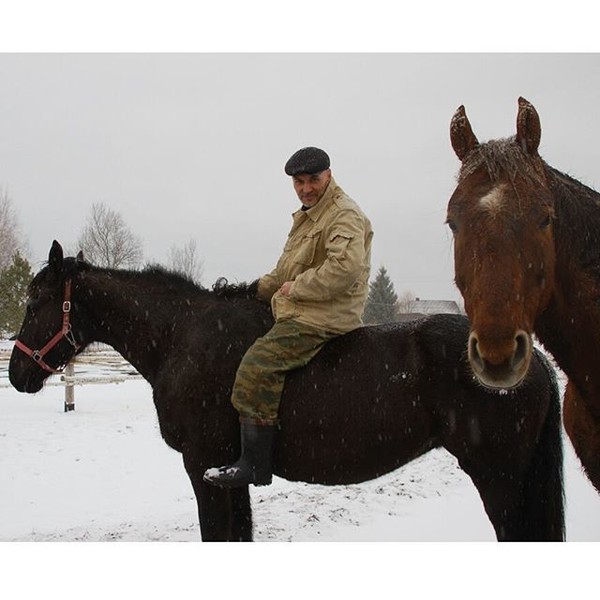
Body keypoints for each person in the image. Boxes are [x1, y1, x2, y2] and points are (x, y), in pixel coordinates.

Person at [203, 146, 373, 488]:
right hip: (302, 309)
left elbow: (344, 269)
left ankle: (254, 463)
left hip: (324, 317)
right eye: (299, 182)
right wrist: (249, 291)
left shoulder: (343, 214)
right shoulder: (307, 218)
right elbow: (283, 273)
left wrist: (296, 289)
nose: (306, 188)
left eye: (313, 179)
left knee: (257, 364)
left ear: (328, 175)